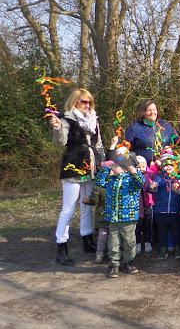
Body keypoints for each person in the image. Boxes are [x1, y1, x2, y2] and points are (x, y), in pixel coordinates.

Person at [50, 88, 105, 266]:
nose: (87, 105)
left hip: (91, 168)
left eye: (89, 102)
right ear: (74, 101)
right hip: (73, 167)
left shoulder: (93, 120)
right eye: (83, 101)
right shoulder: (67, 119)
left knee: (87, 205)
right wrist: (57, 128)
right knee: (68, 209)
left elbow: (99, 145)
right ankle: (61, 248)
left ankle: (87, 240)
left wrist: (104, 164)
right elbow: (60, 142)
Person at [94, 152, 145, 278]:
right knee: (113, 243)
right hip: (113, 218)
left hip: (128, 218)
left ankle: (129, 262)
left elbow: (140, 182)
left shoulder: (131, 181)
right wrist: (106, 168)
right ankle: (114, 265)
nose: (113, 167)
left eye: (116, 165)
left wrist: (134, 172)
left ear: (125, 169)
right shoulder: (111, 180)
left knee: (129, 242)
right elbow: (99, 181)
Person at [125, 100, 180, 165]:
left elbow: (179, 141)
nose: (152, 113)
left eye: (154, 110)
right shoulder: (135, 128)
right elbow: (127, 149)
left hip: (164, 167)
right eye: (149, 110)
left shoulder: (165, 126)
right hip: (143, 169)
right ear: (143, 113)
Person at [148, 153, 180, 259]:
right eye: (166, 165)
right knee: (162, 231)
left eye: (171, 165)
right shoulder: (159, 177)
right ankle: (163, 249)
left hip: (174, 210)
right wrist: (152, 187)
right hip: (161, 210)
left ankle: (177, 249)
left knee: (176, 230)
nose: (168, 167)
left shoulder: (177, 178)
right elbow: (153, 188)